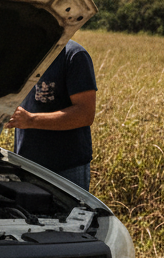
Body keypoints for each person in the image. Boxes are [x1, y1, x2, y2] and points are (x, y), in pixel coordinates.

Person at [6, 39, 97, 191]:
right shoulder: (26, 54)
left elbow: (85, 114)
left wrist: (31, 120)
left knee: (68, 214)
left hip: (66, 169)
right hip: (26, 164)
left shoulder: (74, 55)